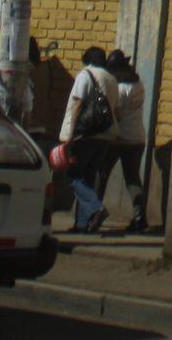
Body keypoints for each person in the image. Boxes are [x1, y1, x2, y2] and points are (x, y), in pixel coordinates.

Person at [58, 46, 117, 235]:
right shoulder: (112, 79)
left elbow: (77, 104)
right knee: (89, 179)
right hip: (105, 137)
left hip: (84, 135)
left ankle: (96, 207)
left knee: (74, 176)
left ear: (87, 59)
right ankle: (82, 225)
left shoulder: (85, 75)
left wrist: (70, 134)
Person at [98, 50, 149, 235]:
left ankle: (93, 213)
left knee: (101, 173)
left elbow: (115, 113)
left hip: (119, 138)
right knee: (133, 179)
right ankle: (139, 218)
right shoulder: (139, 84)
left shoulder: (119, 89)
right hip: (137, 138)